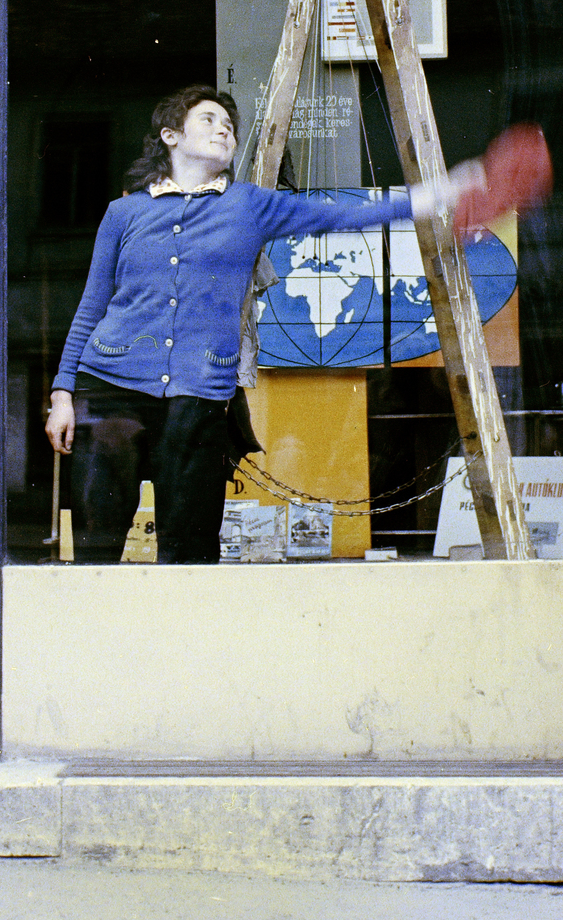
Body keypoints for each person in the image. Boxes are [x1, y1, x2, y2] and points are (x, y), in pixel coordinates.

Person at [45, 84, 484, 564]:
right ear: (170, 136)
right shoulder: (124, 212)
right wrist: (63, 394)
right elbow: (92, 305)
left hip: (200, 391)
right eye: (209, 119)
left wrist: (433, 195)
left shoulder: (248, 205)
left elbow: (339, 216)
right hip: (110, 386)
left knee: (190, 549)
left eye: (229, 126)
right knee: (98, 542)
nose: (224, 130)